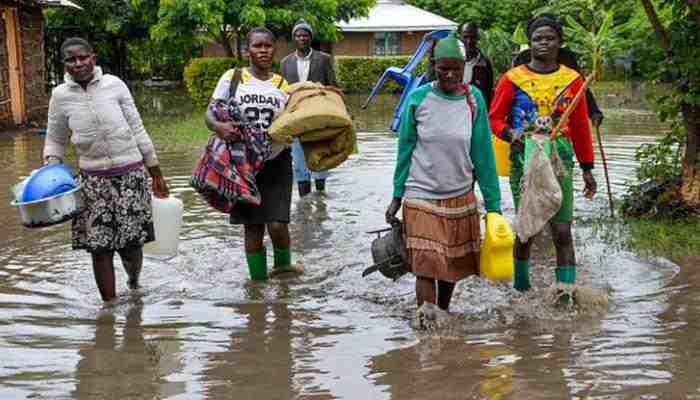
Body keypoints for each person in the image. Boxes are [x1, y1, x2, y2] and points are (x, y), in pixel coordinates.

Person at [43, 37, 170, 302]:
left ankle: (134, 282)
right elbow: (55, 139)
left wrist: (155, 172)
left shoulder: (115, 85)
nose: (78, 63)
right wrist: (50, 174)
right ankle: (109, 308)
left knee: (131, 245)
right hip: (92, 182)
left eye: (83, 57)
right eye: (71, 59)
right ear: (64, 64)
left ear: (93, 57)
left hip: (130, 175)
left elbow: (137, 128)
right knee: (99, 248)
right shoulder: (60, 96)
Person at [385, 32, 502, 311]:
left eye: (456, 69)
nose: (449, 75)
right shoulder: (417, 99)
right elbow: (404, 152)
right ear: (433, 66)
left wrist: (494, 206)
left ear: (464, 69)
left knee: (451, 263)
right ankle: (427, 326)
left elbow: (483, 154)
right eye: (443, 68)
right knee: (426, 265)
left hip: (459, 194)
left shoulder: (473, 100)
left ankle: (443, 314)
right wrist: (397, 195)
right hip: (420, 193)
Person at [489, 15, 597, 294]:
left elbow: (581, 128)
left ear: (559, 42)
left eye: (549, 38)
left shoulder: (573, 80)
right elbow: (495, 118)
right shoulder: (512, 79)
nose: (543, 43)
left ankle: (566, 295)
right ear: (530, 43)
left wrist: (587, 168)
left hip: (560, 157)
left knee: (562, 231)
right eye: (538, 38)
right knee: (528, 231)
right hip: (525, 156)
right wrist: (511, 134)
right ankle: (521, 291)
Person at [205, 27, 301, 281]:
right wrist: (219, 127)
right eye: (257, 46)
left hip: (277, 160)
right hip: (243, 164)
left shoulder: (283, 85)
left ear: (274, 49)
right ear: (248, 49)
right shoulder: (233, 77)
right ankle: (257, 288)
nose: (263, 51)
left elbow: (294, 121)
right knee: (254, 227)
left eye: (267, 46)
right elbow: (210, 114)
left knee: (278, 224)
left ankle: (284, 276)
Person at [280, 20, 337, 197]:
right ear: (293, 38)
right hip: (296, 118)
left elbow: (333, 86)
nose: (302, 38)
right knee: (299, 163)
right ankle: (304, 204)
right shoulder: (285, 62)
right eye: (298, 35)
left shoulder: (324, 59)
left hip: (319, 117)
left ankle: (321, 202)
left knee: (320, 160)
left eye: (305, 35)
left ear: (310, 38)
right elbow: (283, 92)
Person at [512, 46, 604, 127]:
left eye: (550, 38)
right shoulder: (523, 58)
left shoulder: (566, 58)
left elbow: (581, 90)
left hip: (559, 117)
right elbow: (512, 92)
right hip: (528, 118)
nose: (544, 43)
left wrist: (594, 112)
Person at [425, 22, 495, 110]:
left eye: (472, 37)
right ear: (460, 37)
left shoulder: (484, 63)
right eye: (465, 37)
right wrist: (432, 56)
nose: (469, 41)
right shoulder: (450, 60)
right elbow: (431, 82)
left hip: (475, 113)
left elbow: (488, 92)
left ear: (478, 38)